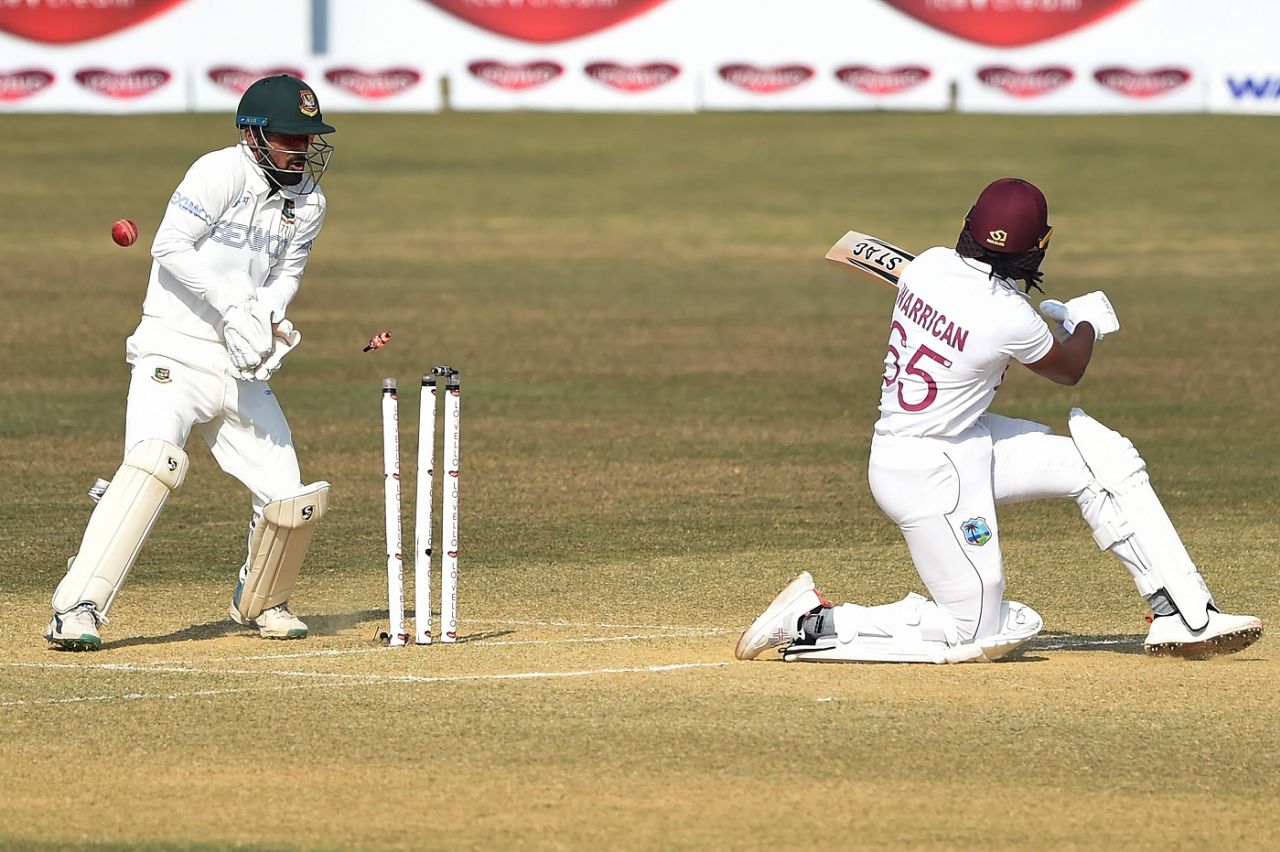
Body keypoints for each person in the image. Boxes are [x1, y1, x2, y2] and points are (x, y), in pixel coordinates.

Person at [737, 177, 1263, 664]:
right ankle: (810, 620)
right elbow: (1069, 368)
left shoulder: (929, 267)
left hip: (964, 443)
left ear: (967, 223)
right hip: (925, 474)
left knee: (1097, 464)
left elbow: (930, 277)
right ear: (1037, 246)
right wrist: (1085, 323)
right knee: (975, 634)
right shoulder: (1009, 317)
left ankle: (1182, 614)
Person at [44, 75, 336, 650]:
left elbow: (287, 275)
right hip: (172, 349)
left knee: (291, 498)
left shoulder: (310, 201)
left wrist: (266, 323)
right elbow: (169, 245)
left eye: (307, 139)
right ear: (253, 136)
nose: (300, 150)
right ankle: (76, 609)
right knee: (150, 467)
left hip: (237, 366)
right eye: (287, 138)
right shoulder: (219, 171)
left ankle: (262, 600)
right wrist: (233, 306)